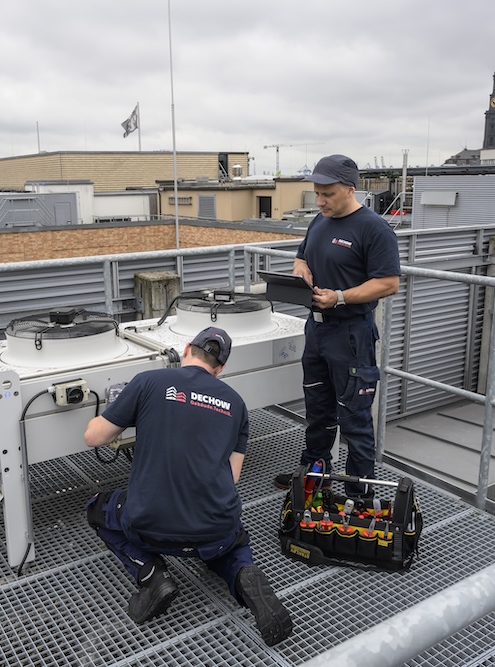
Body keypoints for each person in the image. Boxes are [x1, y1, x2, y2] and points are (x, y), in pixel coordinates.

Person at [84, 326, 293, 646]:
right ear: (221, 368)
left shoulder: (148, 382)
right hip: (214, 528)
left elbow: (94, 437)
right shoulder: (236, 404)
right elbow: (231, 478)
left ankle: (152, 576)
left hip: (149, 523)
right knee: (230, 540)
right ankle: (242, 576)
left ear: (186, 349)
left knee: (98, 508)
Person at [273, 154, 401, 498]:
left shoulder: (374, 228)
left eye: (327, 194)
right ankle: (315, 475)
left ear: (349, 188)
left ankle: (360, 494)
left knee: (354, 418)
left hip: (350, 334)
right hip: (315, 330)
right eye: (316, 193)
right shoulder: (319, 221)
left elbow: (388, 283)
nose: (320, 201)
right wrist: (301, 270)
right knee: (317, 410)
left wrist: (341, 297)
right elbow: (301, 256)